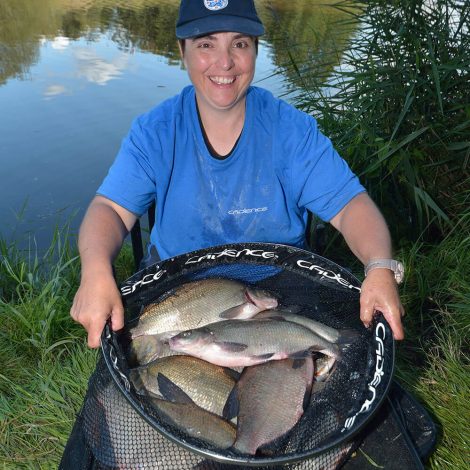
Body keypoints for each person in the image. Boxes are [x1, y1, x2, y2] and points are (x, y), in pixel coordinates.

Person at [70, 0, 405, 349]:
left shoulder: (291, 131)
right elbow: (109, 209)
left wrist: (379, 267)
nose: (225, 62)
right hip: (177, 293)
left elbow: (352, 206)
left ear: (256, 51)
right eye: (205, 44)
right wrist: (94, 271)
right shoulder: (155, 132)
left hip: (273, 285)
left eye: (240, 43)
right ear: (181, 52)